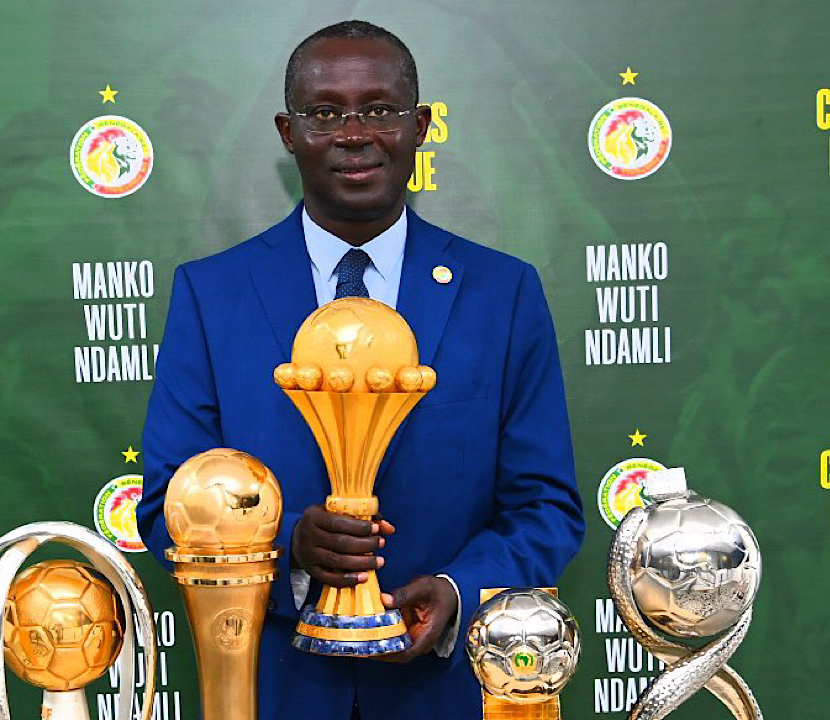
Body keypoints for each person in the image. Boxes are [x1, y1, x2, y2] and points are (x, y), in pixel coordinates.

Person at [136, 20, 583, 719]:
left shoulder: (502, 293)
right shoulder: (211, 294)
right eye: (324, 113)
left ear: (421, 126)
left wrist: (458, 590)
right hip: (277, 690)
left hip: (445, 692)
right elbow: (170, 502)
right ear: (288, 133)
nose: (353, 134)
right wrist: (286, 549)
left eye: (379, 109)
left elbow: (545, 508)